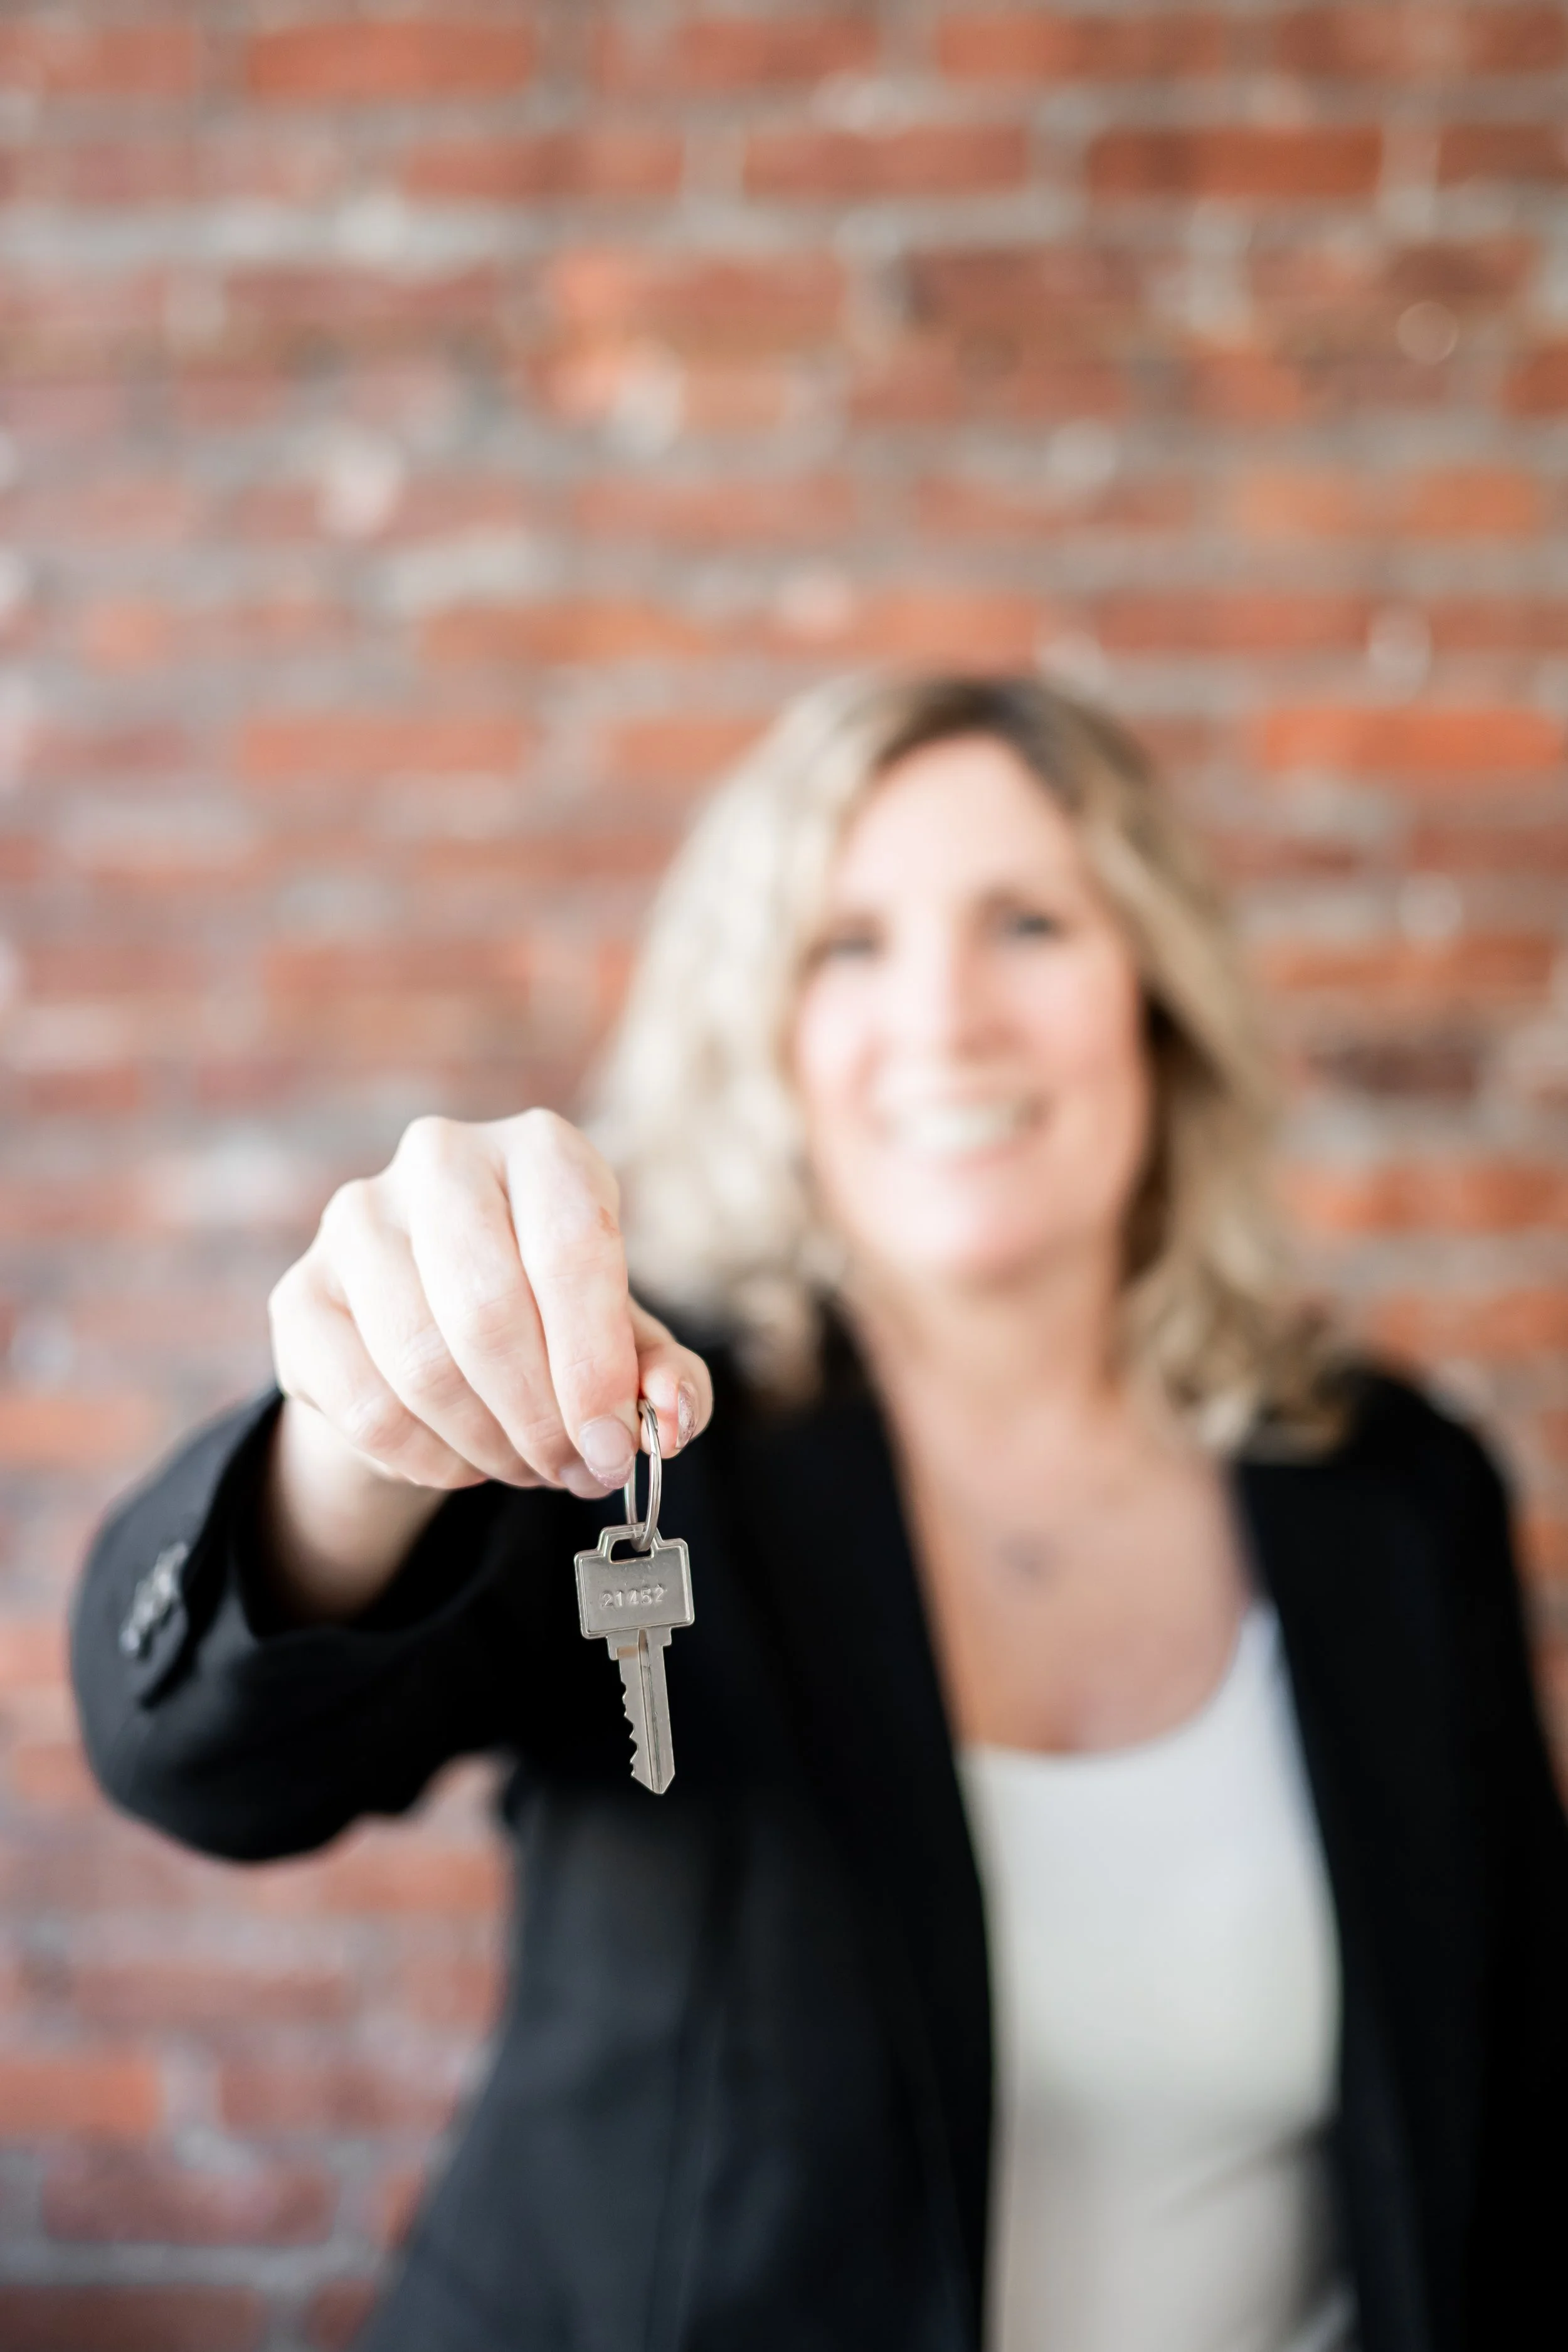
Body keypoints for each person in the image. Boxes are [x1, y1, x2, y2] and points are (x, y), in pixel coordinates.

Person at [71, 672, 1567, 2352]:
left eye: (1025, 922)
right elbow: (206, 1760)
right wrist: (364, 1432)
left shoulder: (1390, 1486)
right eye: (847, 942)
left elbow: (1505, 2105)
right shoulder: (624, 1430)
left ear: (1151, 986)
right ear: (765, 1026)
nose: (944, 1018)